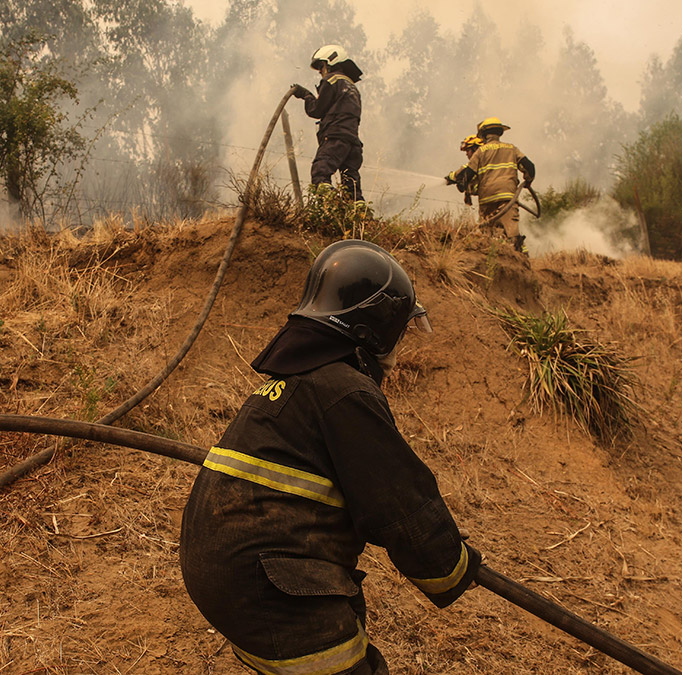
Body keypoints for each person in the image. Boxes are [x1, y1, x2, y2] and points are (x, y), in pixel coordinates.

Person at [180, 240, 482, 675]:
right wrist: (451, 563)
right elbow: (399, 500)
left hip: (224, 572)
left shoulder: (294, 384)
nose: (398, 351)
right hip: (265, 583)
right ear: (372, 332)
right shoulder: (342, 391)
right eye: (399, 334)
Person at [446, 117, 536, 252]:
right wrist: (528, 181)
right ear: (500, 132)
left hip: (486, 200)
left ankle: (491, 258)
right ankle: (520, 258)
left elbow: (467, 175)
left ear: (483, 134)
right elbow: (529, 167)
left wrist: (463, 186)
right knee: (512, 235)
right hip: (507, 198)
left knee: (487, 235)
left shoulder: (480, 152)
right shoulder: (512, 149)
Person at [291, 45, 365, 202]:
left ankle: (331, 206)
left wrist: (306, 95)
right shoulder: (352, 87)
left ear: (331, 62)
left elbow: (316, 110)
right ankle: (359, 213)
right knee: (351, 184)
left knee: (320, 172)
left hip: (335, 138)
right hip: (352, 142)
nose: (320, 71)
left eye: (321, 66)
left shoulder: (331, 80)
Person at [446, 134, 484, 206]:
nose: (466, 154)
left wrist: (451, 177)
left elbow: (463, 171)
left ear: (475, 149)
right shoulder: (488, 160)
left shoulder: (475, 164)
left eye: (468, 150)